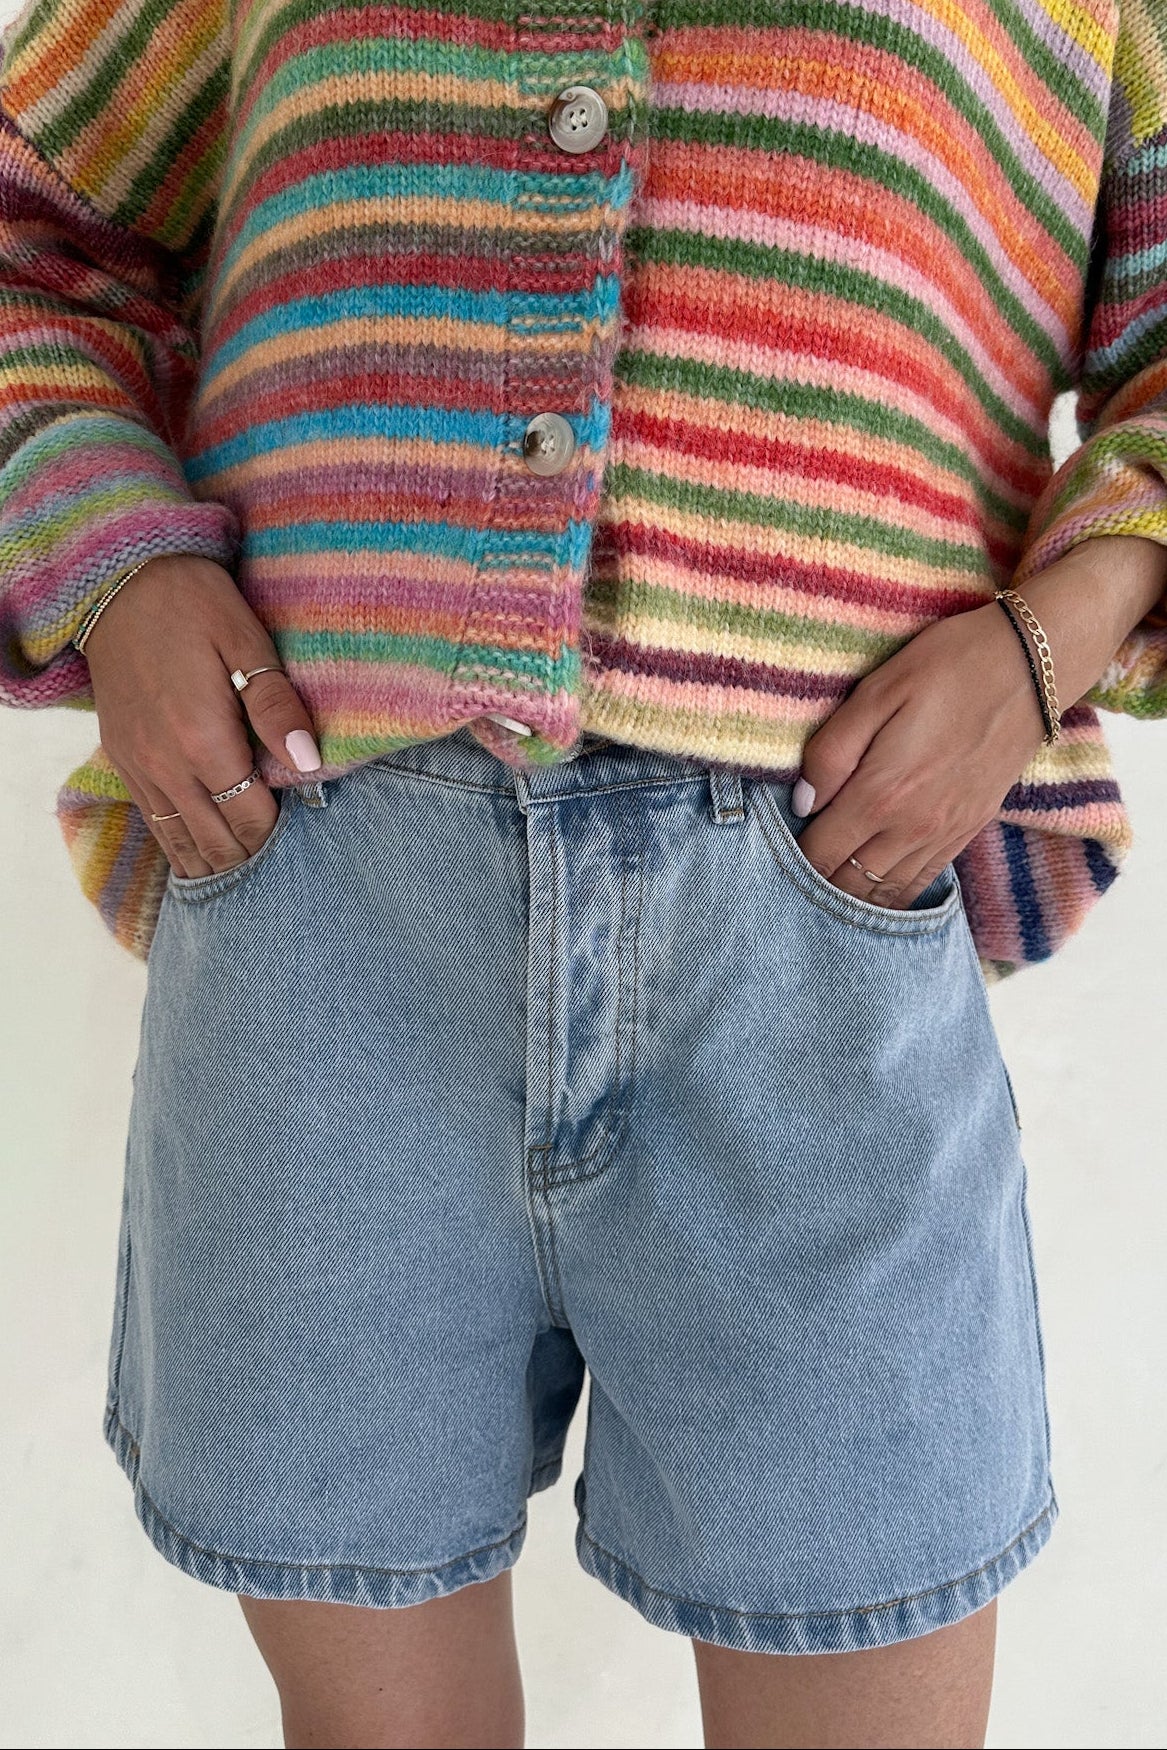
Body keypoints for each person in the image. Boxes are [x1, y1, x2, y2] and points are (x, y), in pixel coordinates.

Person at [2, 1, 1165, 1745]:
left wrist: (1046, 640)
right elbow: (30, 235)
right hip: (325, 931)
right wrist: (120, 565)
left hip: (813, 955)